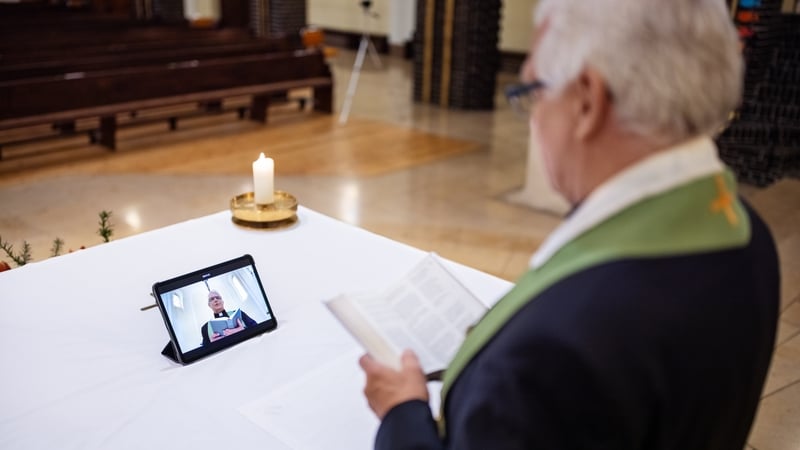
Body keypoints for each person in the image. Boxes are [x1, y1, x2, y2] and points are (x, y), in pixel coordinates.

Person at [358, 1, 780, 448]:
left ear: (587, 101)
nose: (534, 117)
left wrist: (402, 413)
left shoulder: (549, 354)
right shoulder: (749, 234)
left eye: (535, 91)